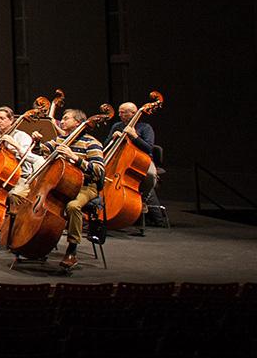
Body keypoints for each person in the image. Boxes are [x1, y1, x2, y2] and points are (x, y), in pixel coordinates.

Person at [32, 109, 108, 268]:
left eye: (66, 118)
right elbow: (39, 151)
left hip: (85, 186)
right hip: (60, 184)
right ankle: (37, 241)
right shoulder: (60, 140)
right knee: (25, 196)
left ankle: (72, 250)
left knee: (73, 206)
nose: (62, 121)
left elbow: (99, 171)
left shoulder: (91, 143)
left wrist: (74, 157)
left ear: (78, 122)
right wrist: (37, 142)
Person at [106, 101, 163, 227]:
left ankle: (143, 199)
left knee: (150, 174)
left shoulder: (145, 128)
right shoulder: (117, 126)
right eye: (120, 112)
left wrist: (135, 136)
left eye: (123, 113)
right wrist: (112, 139)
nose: (120, 115)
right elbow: (106, 145)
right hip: (121, 160)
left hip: (141, 161)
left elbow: (148, 148)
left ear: (133, 113)